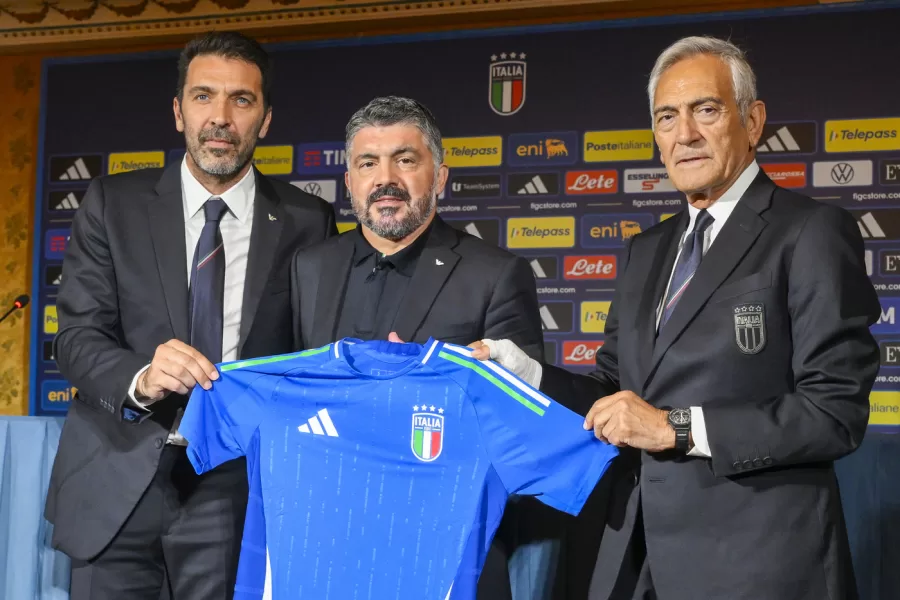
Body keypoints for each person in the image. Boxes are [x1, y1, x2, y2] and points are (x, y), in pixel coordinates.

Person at [471, 35, 880, 600]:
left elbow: (833, 412)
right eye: (667, 117)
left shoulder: (810, 232)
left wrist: (676, 427)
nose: (684, 134)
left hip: (762, 567)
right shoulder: (646, 250)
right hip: (638, 559)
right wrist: (529, 375)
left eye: (705, 110)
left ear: (752, 121)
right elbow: (614, 392)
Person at [44, 31, 336, 600]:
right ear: (179, 111)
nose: (220, 117)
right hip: (116, 480)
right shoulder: (111, 203)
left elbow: (314, 355)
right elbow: (76, 337)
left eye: (241, 100)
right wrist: (141, 377)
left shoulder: (309, 221)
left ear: (265, 120)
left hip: (238, 488)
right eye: (204, 96)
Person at [289, 96, 549, 599]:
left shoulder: (495, 274)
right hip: (325, 540)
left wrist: (422, 386)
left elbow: (519, 419)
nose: (385, 178)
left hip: (445, 546)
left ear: (440, 176)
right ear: (349, 181)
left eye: (405, 160)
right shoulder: (309, 267)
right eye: (368, 163)